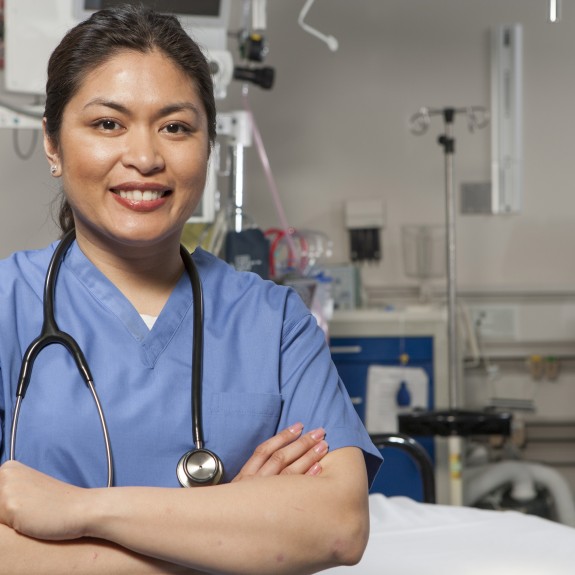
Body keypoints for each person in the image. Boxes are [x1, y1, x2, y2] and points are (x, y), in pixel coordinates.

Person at [0, 5, 381, 574]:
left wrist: (76, 510)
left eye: (175, 126)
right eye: (108, 124)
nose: (146, 157)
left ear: (208, 146)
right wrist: (226, 535)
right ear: (53, 145)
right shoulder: (7, 304)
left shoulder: (275, 321)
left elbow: (338, 527)